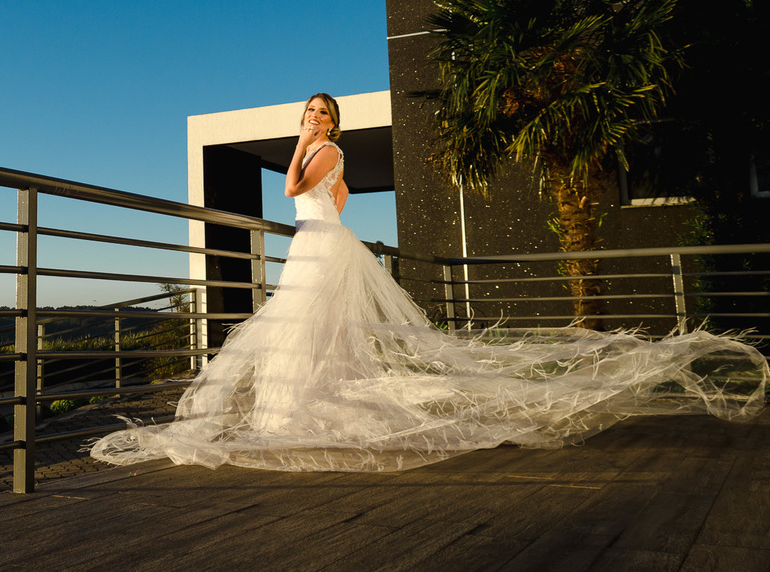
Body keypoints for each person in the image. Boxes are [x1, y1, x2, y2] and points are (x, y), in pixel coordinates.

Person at [89, 93, 768, 472]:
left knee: (293, 327)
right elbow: (339, 202)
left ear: (330, 123)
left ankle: (288, 413)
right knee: (308, 331)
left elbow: (295, 188)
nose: (314, 118)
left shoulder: (319, 150)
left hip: (315, 249)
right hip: (322, 243)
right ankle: (290, 412)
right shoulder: (339, 162)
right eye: (309, 113)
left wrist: (298, 148)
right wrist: (316, 206)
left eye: (320, 113)